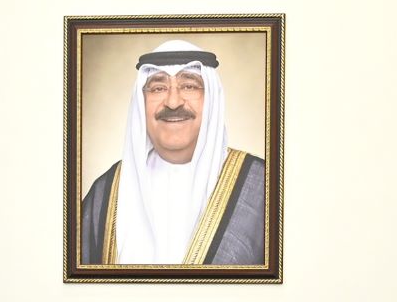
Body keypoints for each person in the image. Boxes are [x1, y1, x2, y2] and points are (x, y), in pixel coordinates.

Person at [80, 38, 266, 266]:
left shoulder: (262, 187)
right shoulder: (106, 192)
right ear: (142, 101)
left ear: (211, 99)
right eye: (158, 88)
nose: (173, 102)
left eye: (189, 86)